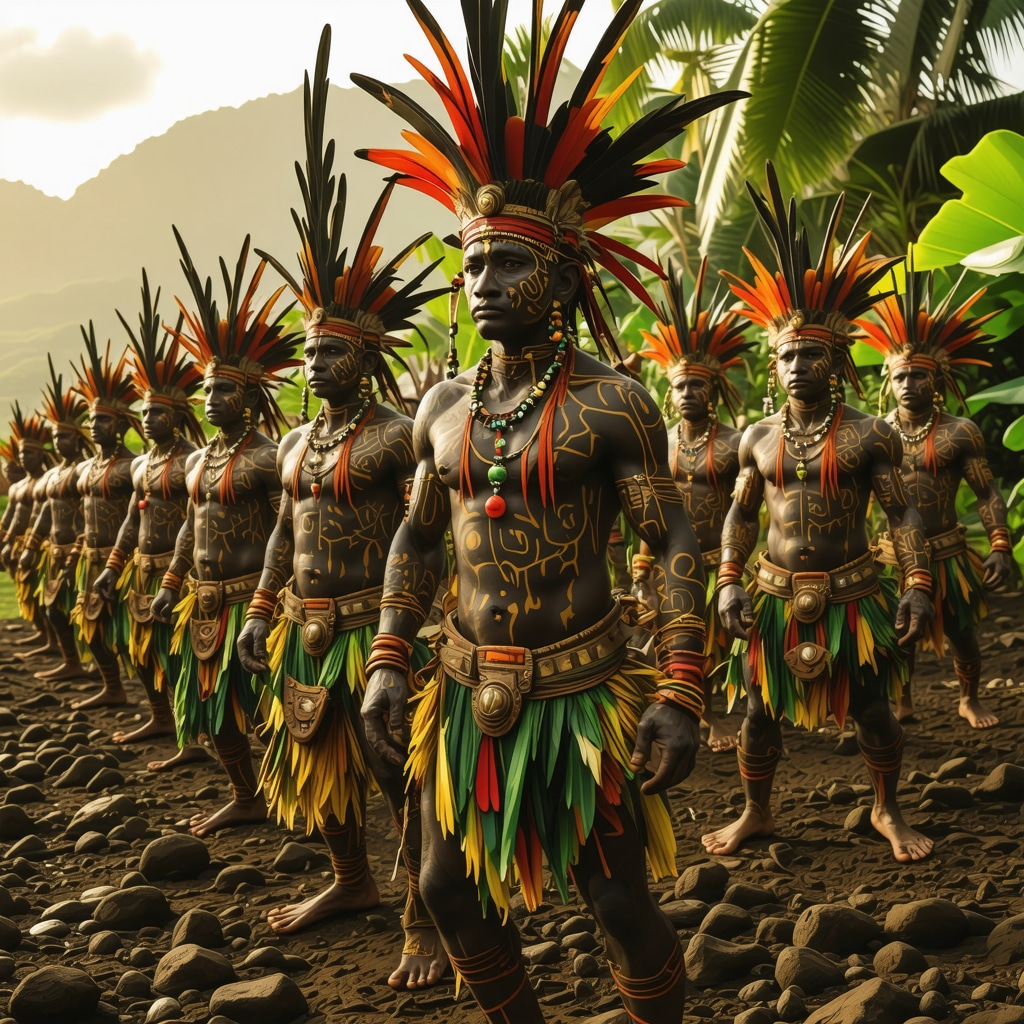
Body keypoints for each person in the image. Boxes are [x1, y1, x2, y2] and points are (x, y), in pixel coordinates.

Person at [353, 3, 743, 1021]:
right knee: (442, 887)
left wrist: (681, 688)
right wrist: (391, 659)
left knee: (616, 900)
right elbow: (417, 534)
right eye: (472, 262)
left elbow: (670, 542)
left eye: (509, 262)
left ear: (564, 273)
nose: (483, 282)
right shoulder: (440, 405)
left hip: (579, 687)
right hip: (461, 685)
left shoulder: (614, 402)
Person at [236, 26, 447, 990]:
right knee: (317, 767)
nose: (314, 363)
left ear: (367, 353)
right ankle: (351, 882)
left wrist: (422, 627)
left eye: (330, 352)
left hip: (380, 625)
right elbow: (283, 528)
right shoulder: (294, 443)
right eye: (308, 351)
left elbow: (431, 526)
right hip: (307, 629)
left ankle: (422, 915)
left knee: (404, 779)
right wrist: (260, 608)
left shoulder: (401, 433)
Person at [702, 164, 936, 865]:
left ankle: (885, 808)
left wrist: (919, 585)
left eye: (810, 353)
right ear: (771, 366)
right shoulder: (758, 439)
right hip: (773, 596)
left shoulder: (870, 434)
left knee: (871, 711)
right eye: (785, 355)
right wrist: (728, 580)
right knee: (756, 715)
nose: (796, 364)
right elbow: (742, 517)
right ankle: (756, 813)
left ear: (836, 360)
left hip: (854, 594)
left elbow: (902, 517)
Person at [150, 231, 300, 837]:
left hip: (254, 598)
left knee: (277, 711)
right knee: (217, 715)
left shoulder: (267, 458)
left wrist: (271, 601)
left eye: (223, 389)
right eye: (207, 388)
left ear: (252, 394)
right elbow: (190, 524)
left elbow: (288, 531)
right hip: (205, 601)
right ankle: (247, 795)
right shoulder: (196, 461)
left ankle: (301, 801)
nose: (211, 398)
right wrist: (171, 581)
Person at [856, 258, 1013, 728]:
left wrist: (1001, 544)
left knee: (964, 634)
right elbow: (856, 501)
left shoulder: (959, 432)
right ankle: (902, 700)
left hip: (947, 550)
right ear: (889, 380)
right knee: (898, 633)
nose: (909, 384)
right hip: (891, 555)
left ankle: (968, 698)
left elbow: (986, 493)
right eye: (900, 376)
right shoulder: (872, 433)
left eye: (918, 375)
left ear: (938, 379)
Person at [633, 257, 754, 751]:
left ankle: (723, 712)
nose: (687, 393)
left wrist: (735, 566)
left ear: (715, 387)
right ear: (669, 389)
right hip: (666, 559)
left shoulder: (735, 442)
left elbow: (747, 510)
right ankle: (702, 716)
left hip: (714, 559)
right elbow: (646, 508)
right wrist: (641, 569)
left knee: (720, 643)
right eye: (679, 385)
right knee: (674, 639)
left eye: (696, 384)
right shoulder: (656, 446)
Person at [94, 271, 206, 747]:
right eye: (143, 414)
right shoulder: (142, 464)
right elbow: (130, 519)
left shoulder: (192, 463)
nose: (148, 420)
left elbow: (198, 523)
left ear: (178, 416)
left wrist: (176, 577)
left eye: (156, 413)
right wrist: (113, 566)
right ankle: (162, 718)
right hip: (140, 568)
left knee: (180, 657)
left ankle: (190, 735)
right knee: (141, 652)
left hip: (180, 572)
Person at [68, 325, 141, 710]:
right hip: (90, 558)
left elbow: (141, 517)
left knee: (134, 638)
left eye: (104, 420)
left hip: (125, 562)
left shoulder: (133, 467)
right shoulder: (87, 468)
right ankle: (112, 688)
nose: (96, 427)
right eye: (93, 420)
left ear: (123, 424)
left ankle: (160, 712)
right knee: (92, 629)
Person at [21, 357, 93, 683]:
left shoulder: (85, 470)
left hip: (81, 555)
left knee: (90, 617)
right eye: (54, 437)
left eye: (63, 437)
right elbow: (46, 513)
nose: (57, 442)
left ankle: (105, 677)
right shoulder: (53, 475)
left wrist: (78, 550)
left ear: (78, 438)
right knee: (53, 610)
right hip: (54, 551)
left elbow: (91, 515)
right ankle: (72, 663)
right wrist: (31, 546)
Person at [0, 406, 57, 655]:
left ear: (42, 455)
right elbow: (13, 517)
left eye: (29, 453)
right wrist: (7, 540)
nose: (23, 458)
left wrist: (33, 545)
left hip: (42, 546)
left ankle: (55, 643)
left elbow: (47, 516)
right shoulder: (19, 487)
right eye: (21, 453)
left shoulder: (47, 482)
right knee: (29, 595)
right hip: (21, 544)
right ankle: (44, 634)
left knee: (45, 596)